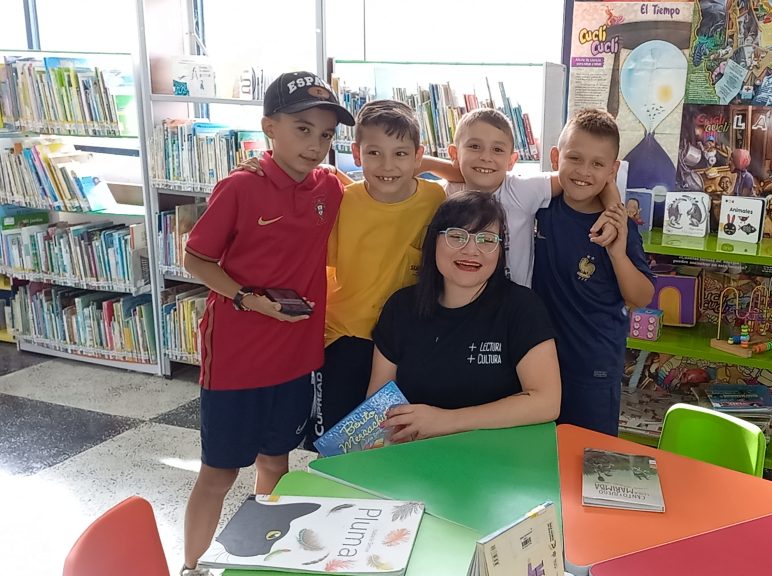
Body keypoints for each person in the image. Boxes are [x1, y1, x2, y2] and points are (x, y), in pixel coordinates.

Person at [179, 71, 353, 576]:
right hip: (238, 357)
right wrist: (246, 299)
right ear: (269, 127)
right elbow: (195, 259)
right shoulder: (240, 187)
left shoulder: (329, 187)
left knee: (277, 461)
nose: (315, 144)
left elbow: (388, 178)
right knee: (219, 471)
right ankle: (190, 565)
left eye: (326, 134)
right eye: (303, 129)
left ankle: (263, 558)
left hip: (298, 355)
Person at [234, 100, 447, 448]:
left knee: (397, 440)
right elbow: (291, 202)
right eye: (374, 153)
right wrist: (263, 168)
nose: (388, 165)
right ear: (357, 154)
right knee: (334, 443)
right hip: (344, 339)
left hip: (406, 344)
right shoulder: (339, 199)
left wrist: (426, 163)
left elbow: (467, 171)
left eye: (400, 154)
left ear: (417, 157)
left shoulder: (434, 198)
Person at [367, 191, 561, 441]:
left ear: (500, 249)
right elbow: (378, 406)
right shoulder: (401, 307)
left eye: (486, 239)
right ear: (433, 241)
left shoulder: (522, 307)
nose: (471, 250)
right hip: (415, 455)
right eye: (457, 236)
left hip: (497, 455)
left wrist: (445, 421)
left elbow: (546, 402)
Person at [532, 108, 655, 435]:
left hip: (592, 366)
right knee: (536, 450)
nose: (584, 172)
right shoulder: (539, 207)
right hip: (535, 361)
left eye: (598, 164)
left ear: (612, 170)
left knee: (588, 455)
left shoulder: (619, 224)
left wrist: (616, 253)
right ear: (555, 157)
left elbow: (642, 296)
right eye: (574, 158)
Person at [421, 108, 618, 287]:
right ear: (454, 153)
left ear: (511, 160)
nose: (486, 157)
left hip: (515, 306)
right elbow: (409, 171)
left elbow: (581, 179)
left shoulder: (522, 190)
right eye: (474, 146)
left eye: (497, 149)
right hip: (463, 301)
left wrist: (613, 215)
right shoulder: (445, 194)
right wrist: (428, 163)